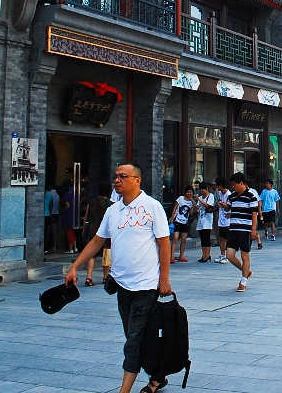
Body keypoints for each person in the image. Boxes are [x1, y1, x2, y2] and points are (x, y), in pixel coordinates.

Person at [65, 163, 171, 393]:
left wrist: (164, 280)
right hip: (122, 286)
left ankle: (124, 390)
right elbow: (97, 240)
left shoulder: (152, 207)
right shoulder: (113, 210)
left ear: (137, 180)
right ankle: (157, 377)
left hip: (147, 286)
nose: (117, 180)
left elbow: (164, 244)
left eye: (123, 176)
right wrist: (75, 267)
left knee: (133, 341)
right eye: (116, 176)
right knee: (136, 336)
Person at [225, 173, 258, 291]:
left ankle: (243, 281)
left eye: (235, 184)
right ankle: (245, 271)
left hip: (245, 230)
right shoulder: (232, 197)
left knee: (245, 256)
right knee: (229, 255)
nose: (233, 187)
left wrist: (253, 230)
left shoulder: (251, 196)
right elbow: (228, 208)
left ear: (242, 183)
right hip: (233, 229)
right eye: (232, 185)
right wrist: (225, 206)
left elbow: (254, 214)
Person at [82, 182, 114, 286]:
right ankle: (105, 277)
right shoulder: (110, 204)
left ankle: (89, 276)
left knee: (92, 254)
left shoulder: (92, 202)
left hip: (92, 229)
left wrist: (84, 228)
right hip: (105, 231)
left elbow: (87, 216)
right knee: (106, 252)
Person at [170, 186, 194, 262]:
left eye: (191, 192)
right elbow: (175, 208)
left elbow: (191, 213)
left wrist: (193, 203)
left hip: (185, 222)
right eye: (188, 192)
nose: (189, 193)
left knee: (184, 240)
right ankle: (172, 257)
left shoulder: (191, 202)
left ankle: (181, 256)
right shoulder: (180, 198)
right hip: (178, 221)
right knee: (175, 238)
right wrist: (172, 218)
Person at [194, 182, 215, 262]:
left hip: (207, 221)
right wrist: (193, 201)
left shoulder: (211, 196)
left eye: (203, 189)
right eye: (201, 189)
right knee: (202, 238)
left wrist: (199, 199)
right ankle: (203, 255)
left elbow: (207, 205)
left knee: (206, 238)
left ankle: (207, 254)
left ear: (206, 189)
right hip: (201, 220)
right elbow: (198, 207)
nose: (202, 191)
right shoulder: (200, 197)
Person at [213, 178, 231, 263]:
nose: (216, 187)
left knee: (226, 238)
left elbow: (232, 206)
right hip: (221, 218)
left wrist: (230, 213)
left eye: (217, 186)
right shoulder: (219, 194)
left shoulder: (229, 194)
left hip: (227, 219)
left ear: (220, 186)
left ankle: (228, 256)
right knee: (221, 238)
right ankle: (222, 254)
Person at [44, 184, 60, 253]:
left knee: (46, 231)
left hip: (47, 214)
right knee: (50, 231)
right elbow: (52, 205)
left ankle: (45, 247)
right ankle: (50, 247)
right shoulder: (55, 195)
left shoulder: (49, 194)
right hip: (50, 214)